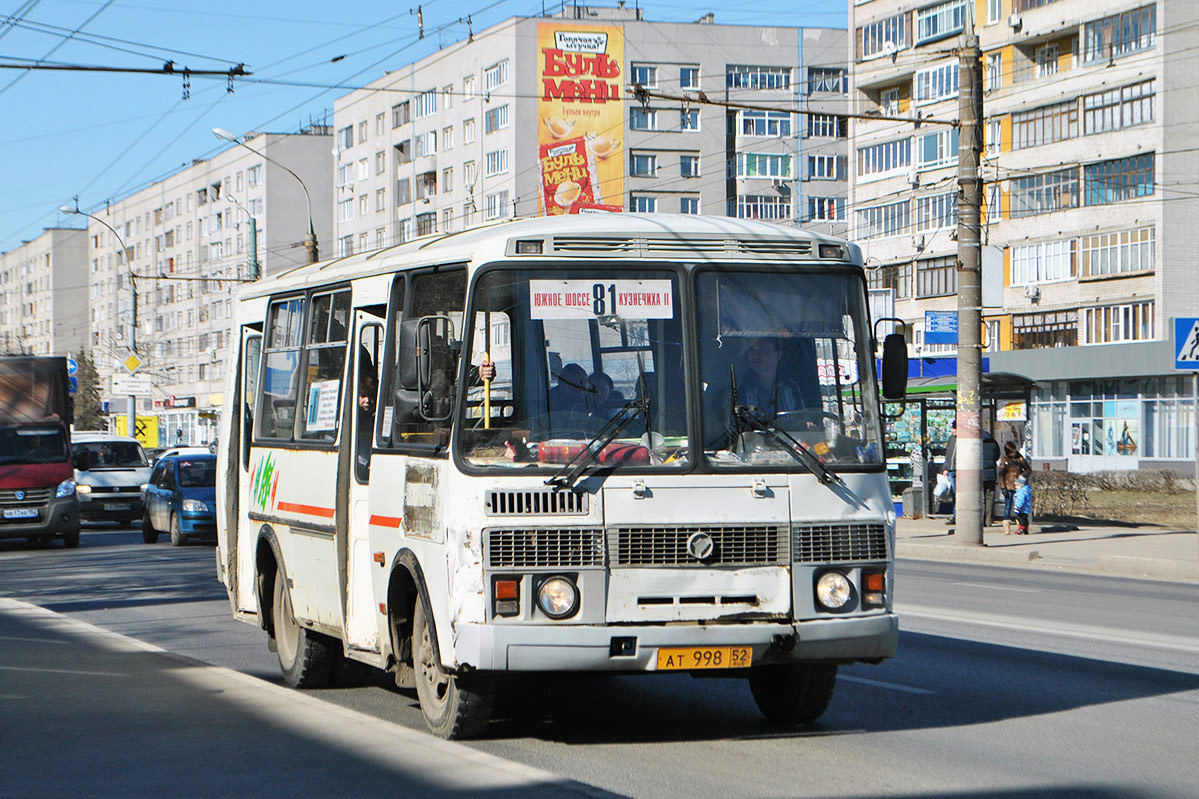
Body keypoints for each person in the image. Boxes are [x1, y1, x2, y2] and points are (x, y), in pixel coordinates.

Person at [998, 440, 1031, 535]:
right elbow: (1001, 474)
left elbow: (1028, 470)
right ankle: (1007, 528)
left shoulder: (1020, 458)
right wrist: (1003, 487)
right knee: (1008, 506)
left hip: (1019, 486)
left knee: (1021, 507)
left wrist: (1022, 476)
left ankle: (1022, 526)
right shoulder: (1004, 460)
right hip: (1008, 486)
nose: (1013, 453)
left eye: (1014, 451)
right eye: (1011, 452)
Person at [982, 429, 1001, 527]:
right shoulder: (993, 442)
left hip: (979, 475)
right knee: (989, 498)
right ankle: (988, 520)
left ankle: (980, 519)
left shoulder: (976, 443)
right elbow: (997, 456)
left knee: (980, 498)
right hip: (991, 474)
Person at [942, 421, 957, 524]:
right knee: (954, 494)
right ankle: (955, 515)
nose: (952, 431)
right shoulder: (952, 439)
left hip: (959, 471)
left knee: (958, 494)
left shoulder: (964, 440)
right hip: (951, 471)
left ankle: (958, 515)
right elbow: (948, 454)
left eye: (954, 428)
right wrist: (945, 468)